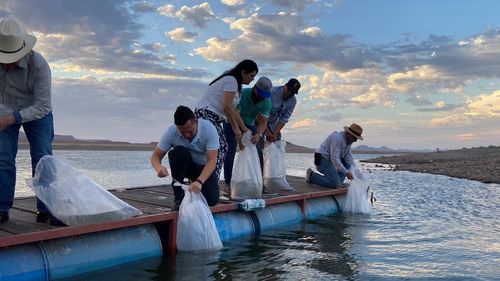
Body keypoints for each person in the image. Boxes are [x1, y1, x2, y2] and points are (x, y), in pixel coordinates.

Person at [0, 18, 63, 225]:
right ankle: (1, 209)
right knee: (3, 159)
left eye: (10, 59)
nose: (5, 64)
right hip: (5, 110)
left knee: (43, 157)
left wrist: (15, 117)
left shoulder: (39, 66)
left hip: (38, 112)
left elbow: (43, 106)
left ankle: (46, 209)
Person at [195, 59, 258, 179]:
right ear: (243, 72)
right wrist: (236, 129)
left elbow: (233, 111)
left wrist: (243, 129)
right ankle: (210, 182)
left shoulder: (236, 85)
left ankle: (206, 181)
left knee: (216, 148)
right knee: (221, 147)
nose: (252, 79)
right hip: (206, 114)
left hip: (213, 117)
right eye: (251, 75)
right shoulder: (231, 80)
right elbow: (227, 107)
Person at [151, 106, 220, 209]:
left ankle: (194, 184)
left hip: (202, 167)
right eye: (182, 133)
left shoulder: (208, 129)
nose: (187, 135)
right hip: (184, 165)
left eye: (189, 131)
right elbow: (155, 156)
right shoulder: (171, 131)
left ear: (195, 121)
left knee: (211, 200)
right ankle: (179, 198)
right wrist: (158, 168)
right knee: (178, 152)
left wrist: (200, 181)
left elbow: (212, 161)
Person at [223, 76, 272, 190]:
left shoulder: (266, 102)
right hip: (232, 122)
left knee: (257, 150)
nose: (262, 97)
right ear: (255, 88)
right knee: (230, 151)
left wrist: (258, 134)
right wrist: (243, 130)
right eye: (261, 94)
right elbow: (235, 113)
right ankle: (228, 182)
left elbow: (263, 121)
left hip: (249, 124)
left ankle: (258, 180)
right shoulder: (243, 94)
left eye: (264, 95)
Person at [305, 123, 364, 189]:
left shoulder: (348, 142)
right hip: (322, 160)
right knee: (336, 184)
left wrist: (357, 172)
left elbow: (349, 159)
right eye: (355, 137)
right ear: (349, 134)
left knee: (345, 169)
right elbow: (334, 158)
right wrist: (346, 173)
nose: (355, 140)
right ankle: (311, 176)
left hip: (330, 162)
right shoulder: (337, 138)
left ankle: (334, 180)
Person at [264, 78, 301, 142]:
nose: (289, 93)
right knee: (259, 139)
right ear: (285, 85)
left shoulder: (293, 101)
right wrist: (266, 131)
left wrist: (275, 134)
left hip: (272, 121)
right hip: (260, 118)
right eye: (289, 90)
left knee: (277, 137)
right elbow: (261, 113)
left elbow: (284, 118)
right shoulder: (271, 92)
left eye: (292, 93)